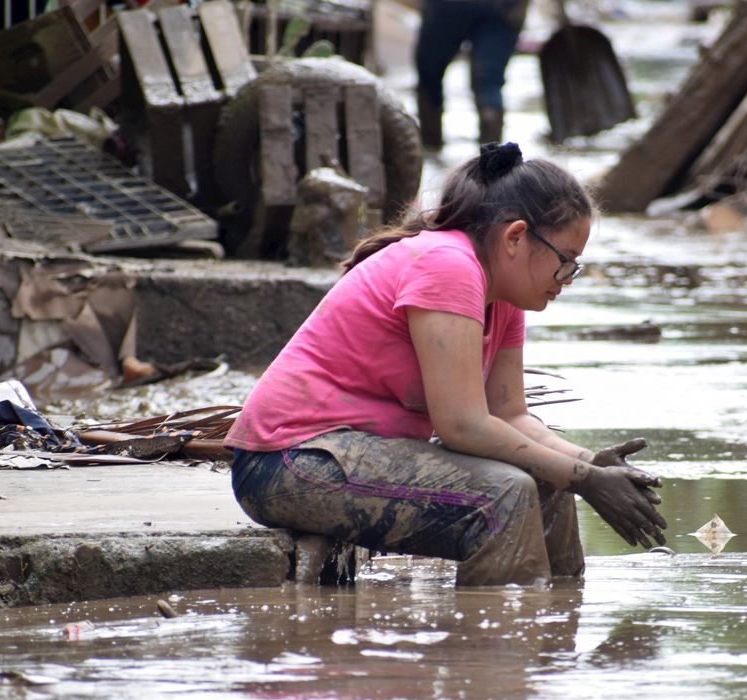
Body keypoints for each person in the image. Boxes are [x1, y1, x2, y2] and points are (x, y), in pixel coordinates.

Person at [225, 142, 666, 586]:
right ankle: (498, 641)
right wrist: (583, 477)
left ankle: (554, 638)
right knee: (503, 496)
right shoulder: (447, 266)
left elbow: (509, 415)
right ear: (515, 238)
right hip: (289, 462)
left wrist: (591, 465)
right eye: (565, 261)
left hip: (343, 454)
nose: (567, 279)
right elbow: (462, 425)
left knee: (548, 482)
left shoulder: (504, 294)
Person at [414, 0, 528, 150]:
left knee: (430, 74)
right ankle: (493, 159)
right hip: (503, 7)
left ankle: (430, 149)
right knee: (488, 84)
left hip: (449, 6)